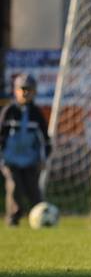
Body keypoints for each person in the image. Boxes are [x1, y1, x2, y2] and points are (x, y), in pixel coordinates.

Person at [0, 74, 52, 227]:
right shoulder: (9, 111)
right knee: (14, 186)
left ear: (34, 92)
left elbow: (45, 140)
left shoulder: (36, 114)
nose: (25, 93)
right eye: (22, 89)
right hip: (10, 160)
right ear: (15, 91)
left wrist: (44, 159)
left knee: (34, 191)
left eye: (29, 90)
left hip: (30, 160)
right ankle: (13, 219)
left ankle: (43, 218)